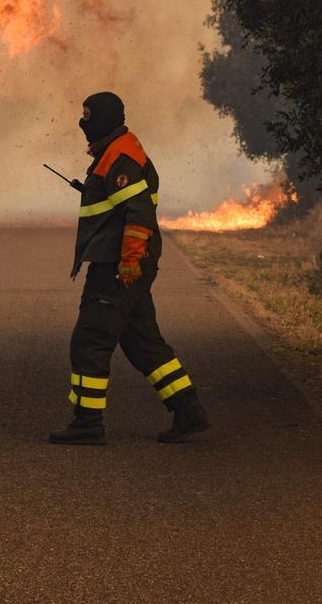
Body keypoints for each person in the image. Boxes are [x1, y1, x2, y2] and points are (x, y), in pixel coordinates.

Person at [49, 92, 211, 446]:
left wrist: (130, 260)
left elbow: (138, 214)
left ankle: (87, 423)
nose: (82, 123)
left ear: (105, 119)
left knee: (90, 338)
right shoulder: (113, 152)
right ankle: (188, 409)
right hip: (120, 262)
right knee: (142, 342)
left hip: (118, 265)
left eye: (88, 116)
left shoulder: (121, 157)